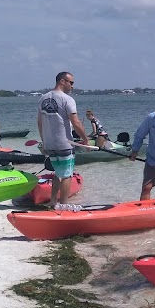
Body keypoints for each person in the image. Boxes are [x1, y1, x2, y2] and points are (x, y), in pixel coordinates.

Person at [37, 72, 90, 211]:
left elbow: (39, 122)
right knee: (67, 175)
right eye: (71, 82)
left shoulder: (43, 98)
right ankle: (64, 204)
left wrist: (44, 141)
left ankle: (53, 202)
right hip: (64, 142)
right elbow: (76, 122)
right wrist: (85, 139)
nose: (72, 86)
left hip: (50, 143)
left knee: (57, 172)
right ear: (62, 81)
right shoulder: (67, 99)